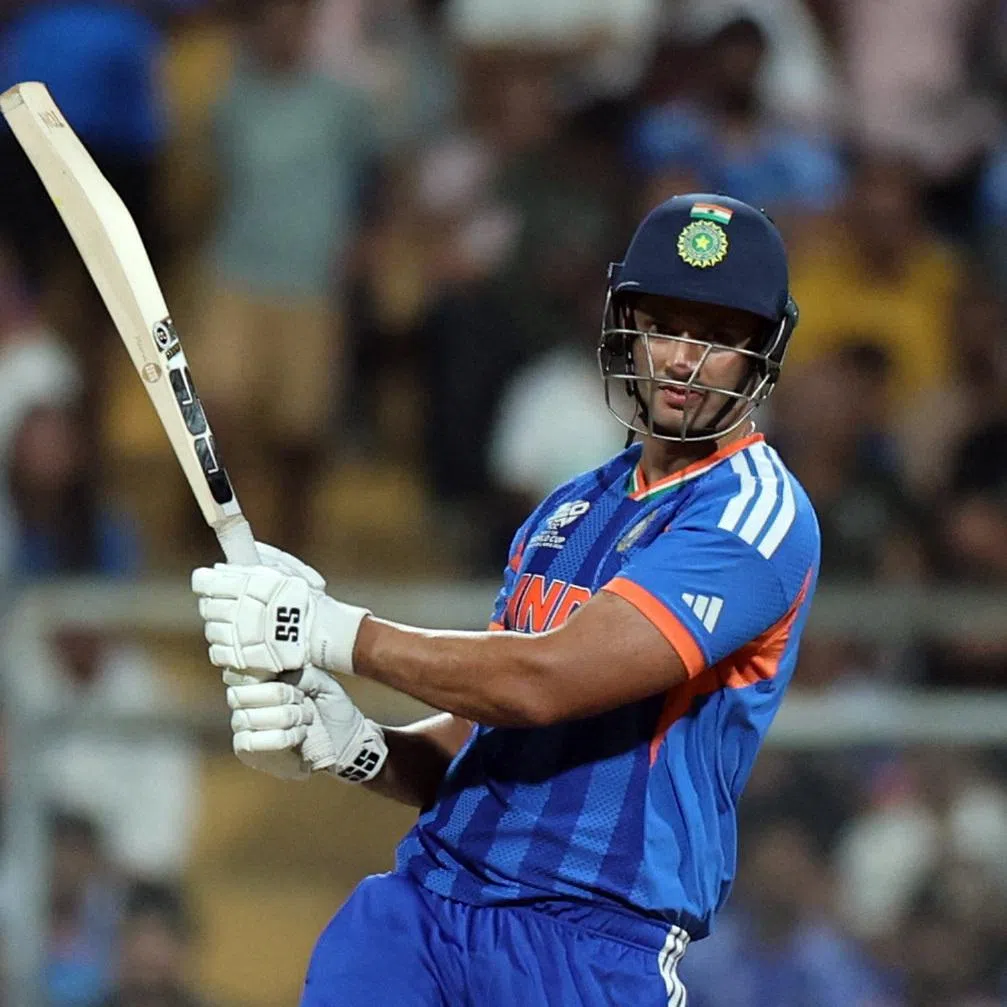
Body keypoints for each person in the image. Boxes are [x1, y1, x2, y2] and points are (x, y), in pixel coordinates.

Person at [191, 193, 821, 1005]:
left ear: (761, 353)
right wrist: (354, 743)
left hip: (593, 938)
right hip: (424, 904)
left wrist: (323, 629)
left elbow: (543, 681)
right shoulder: (567, 509)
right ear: (625, 325)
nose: (681, 360)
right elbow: (483, 738)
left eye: (717, 338)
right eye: (664, 325)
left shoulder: (755, 514)